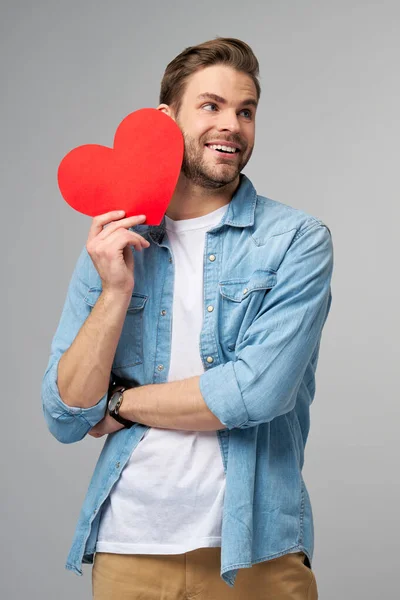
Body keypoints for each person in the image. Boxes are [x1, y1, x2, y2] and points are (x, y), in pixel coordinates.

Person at [42, 37, 333, 599]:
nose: (232, 125)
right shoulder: (114, 243)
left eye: (245, 111)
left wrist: (120, 402)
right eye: (211, 106)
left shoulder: (295, 241)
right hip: (127, 548)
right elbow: (65, 413)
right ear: (165, 119)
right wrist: (114, 292)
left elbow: (253, 394)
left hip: (253, 551)